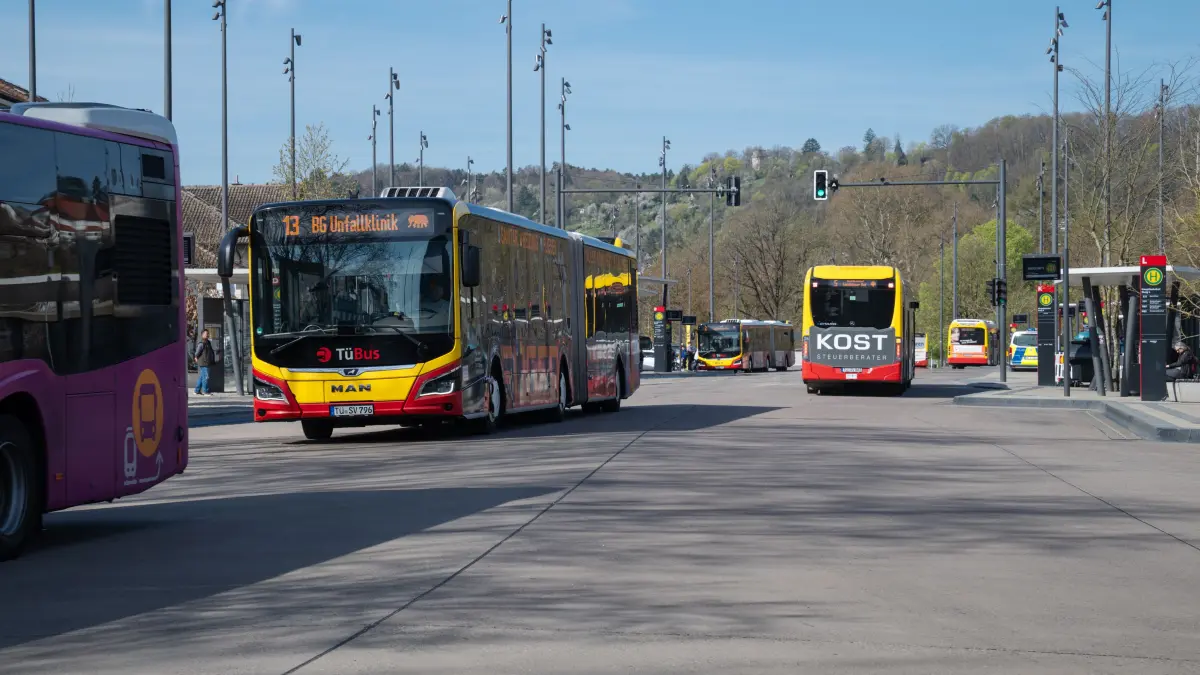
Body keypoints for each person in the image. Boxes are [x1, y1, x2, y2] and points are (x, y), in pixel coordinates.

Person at [193, 328, 215, 396]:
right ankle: (205, 391)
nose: (207, 335)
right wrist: (196, 357)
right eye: (206, 334)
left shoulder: (208, 342)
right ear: (202, 335)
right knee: (206, 377)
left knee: (202, 376)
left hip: (207, 362)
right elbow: (197, 352)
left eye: (208, 334)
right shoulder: (202, 343)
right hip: (204, 362)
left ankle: (196, 391)